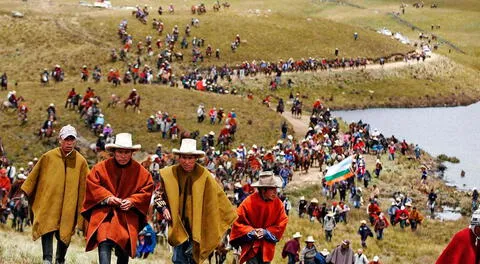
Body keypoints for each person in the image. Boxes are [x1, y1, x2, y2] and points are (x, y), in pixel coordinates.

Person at [153, 138, 237, 264]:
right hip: (178, 223)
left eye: (190, 158)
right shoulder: (169, 174)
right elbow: (158, 196)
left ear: (196, 158)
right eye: (184, 157)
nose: (187, 162)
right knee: (178, 259)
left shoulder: (204, 175)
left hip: (198, 225)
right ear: (179, 157)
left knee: (194, 259)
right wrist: (164, 208)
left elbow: (218, 199)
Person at [21, 125, 89, 264]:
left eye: (72, 140)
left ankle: (60, 260)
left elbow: (85, 186)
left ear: (75, 141)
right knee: (47, 225)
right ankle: (47, 259)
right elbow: (34, 179)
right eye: (66, 139)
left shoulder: (81, 162)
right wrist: (29, 192)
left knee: (65, 231)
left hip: (69, 207)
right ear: (60, 140)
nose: (69, 143)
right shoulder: (48, 157)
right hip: (50, 203)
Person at [82, 133, 154, 264]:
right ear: (114, 152)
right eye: (120, 152)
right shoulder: (100, 168)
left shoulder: (141, 172)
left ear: (132, 153)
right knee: (103, 239)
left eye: (127, 152)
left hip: (127, 216)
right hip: (105, 214)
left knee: (124, 243)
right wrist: (107, 197)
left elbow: (147, 190)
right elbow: (92, 185)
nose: (123, 156)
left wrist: (132, 201)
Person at [230, 171, 288, 264]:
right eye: (272, 189)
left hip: (267, 248)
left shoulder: (278, 204)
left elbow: (281, 223)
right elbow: (237, 222)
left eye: (276, 188)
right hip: (250, 247)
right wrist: (252, 232)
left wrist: (265, 232)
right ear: (263, 190)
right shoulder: (248, 202)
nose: (275, 192)